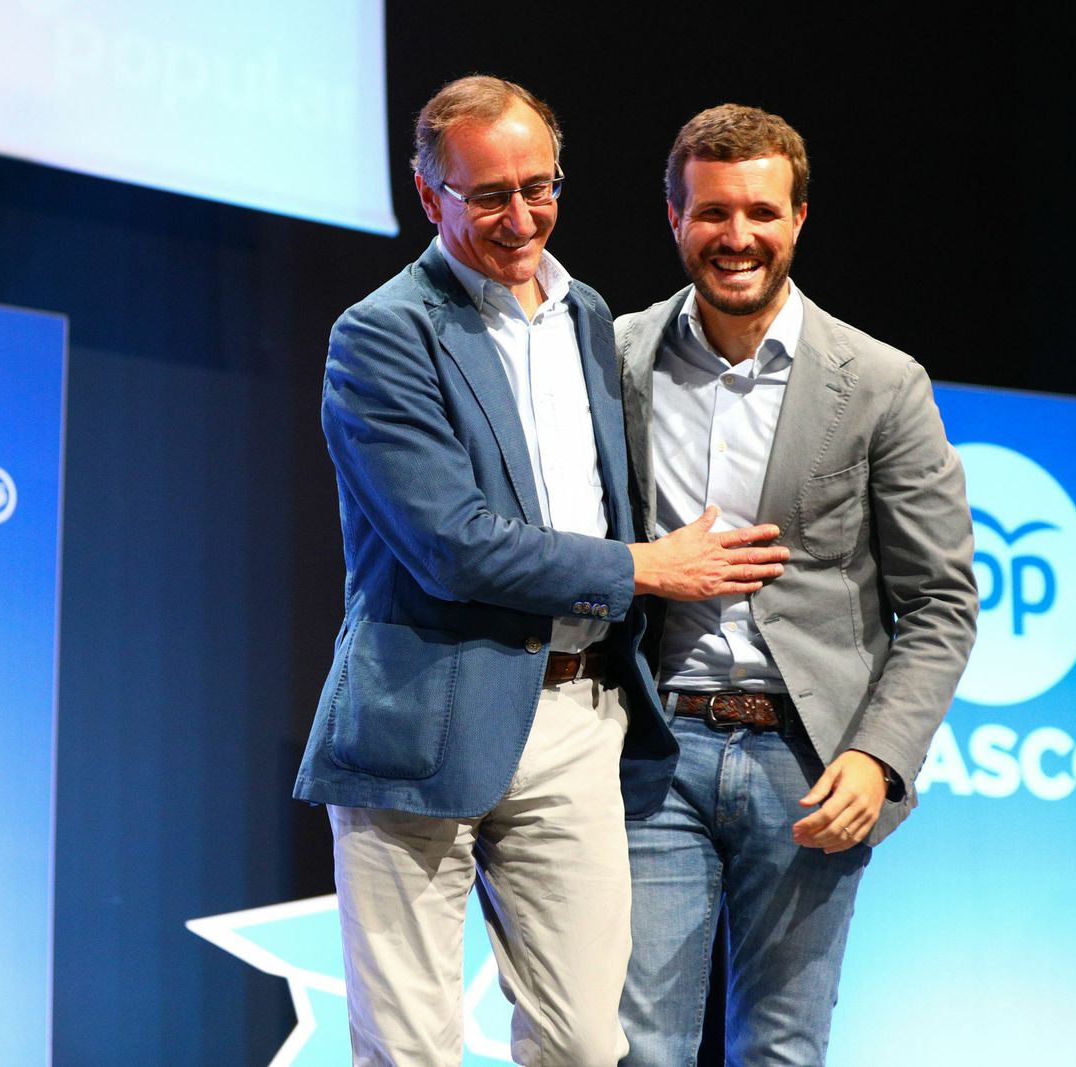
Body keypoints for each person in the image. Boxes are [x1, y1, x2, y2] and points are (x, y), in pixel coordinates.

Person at [291, 76, 789, 1067]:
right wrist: (646, 567)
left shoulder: (586, 311)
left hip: (576, 713)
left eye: (539, 185)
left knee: (583, 1043)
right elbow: (453, 540)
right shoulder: (381, 333)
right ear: (429, 196)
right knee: (410, 1049)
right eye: (487, 196)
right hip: (421, 716)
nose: (521, 217)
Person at [614, 103, 980, 1065]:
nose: (737, 237)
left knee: (781, 1050)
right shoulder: (616, 359)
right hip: (654, 753)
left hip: (809, 762)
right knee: (637, 1046)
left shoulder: (882, 382)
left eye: (762, 213)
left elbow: (941, 602)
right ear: (675, 218)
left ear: (800, 219)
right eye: (713, 212)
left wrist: (880, 755)